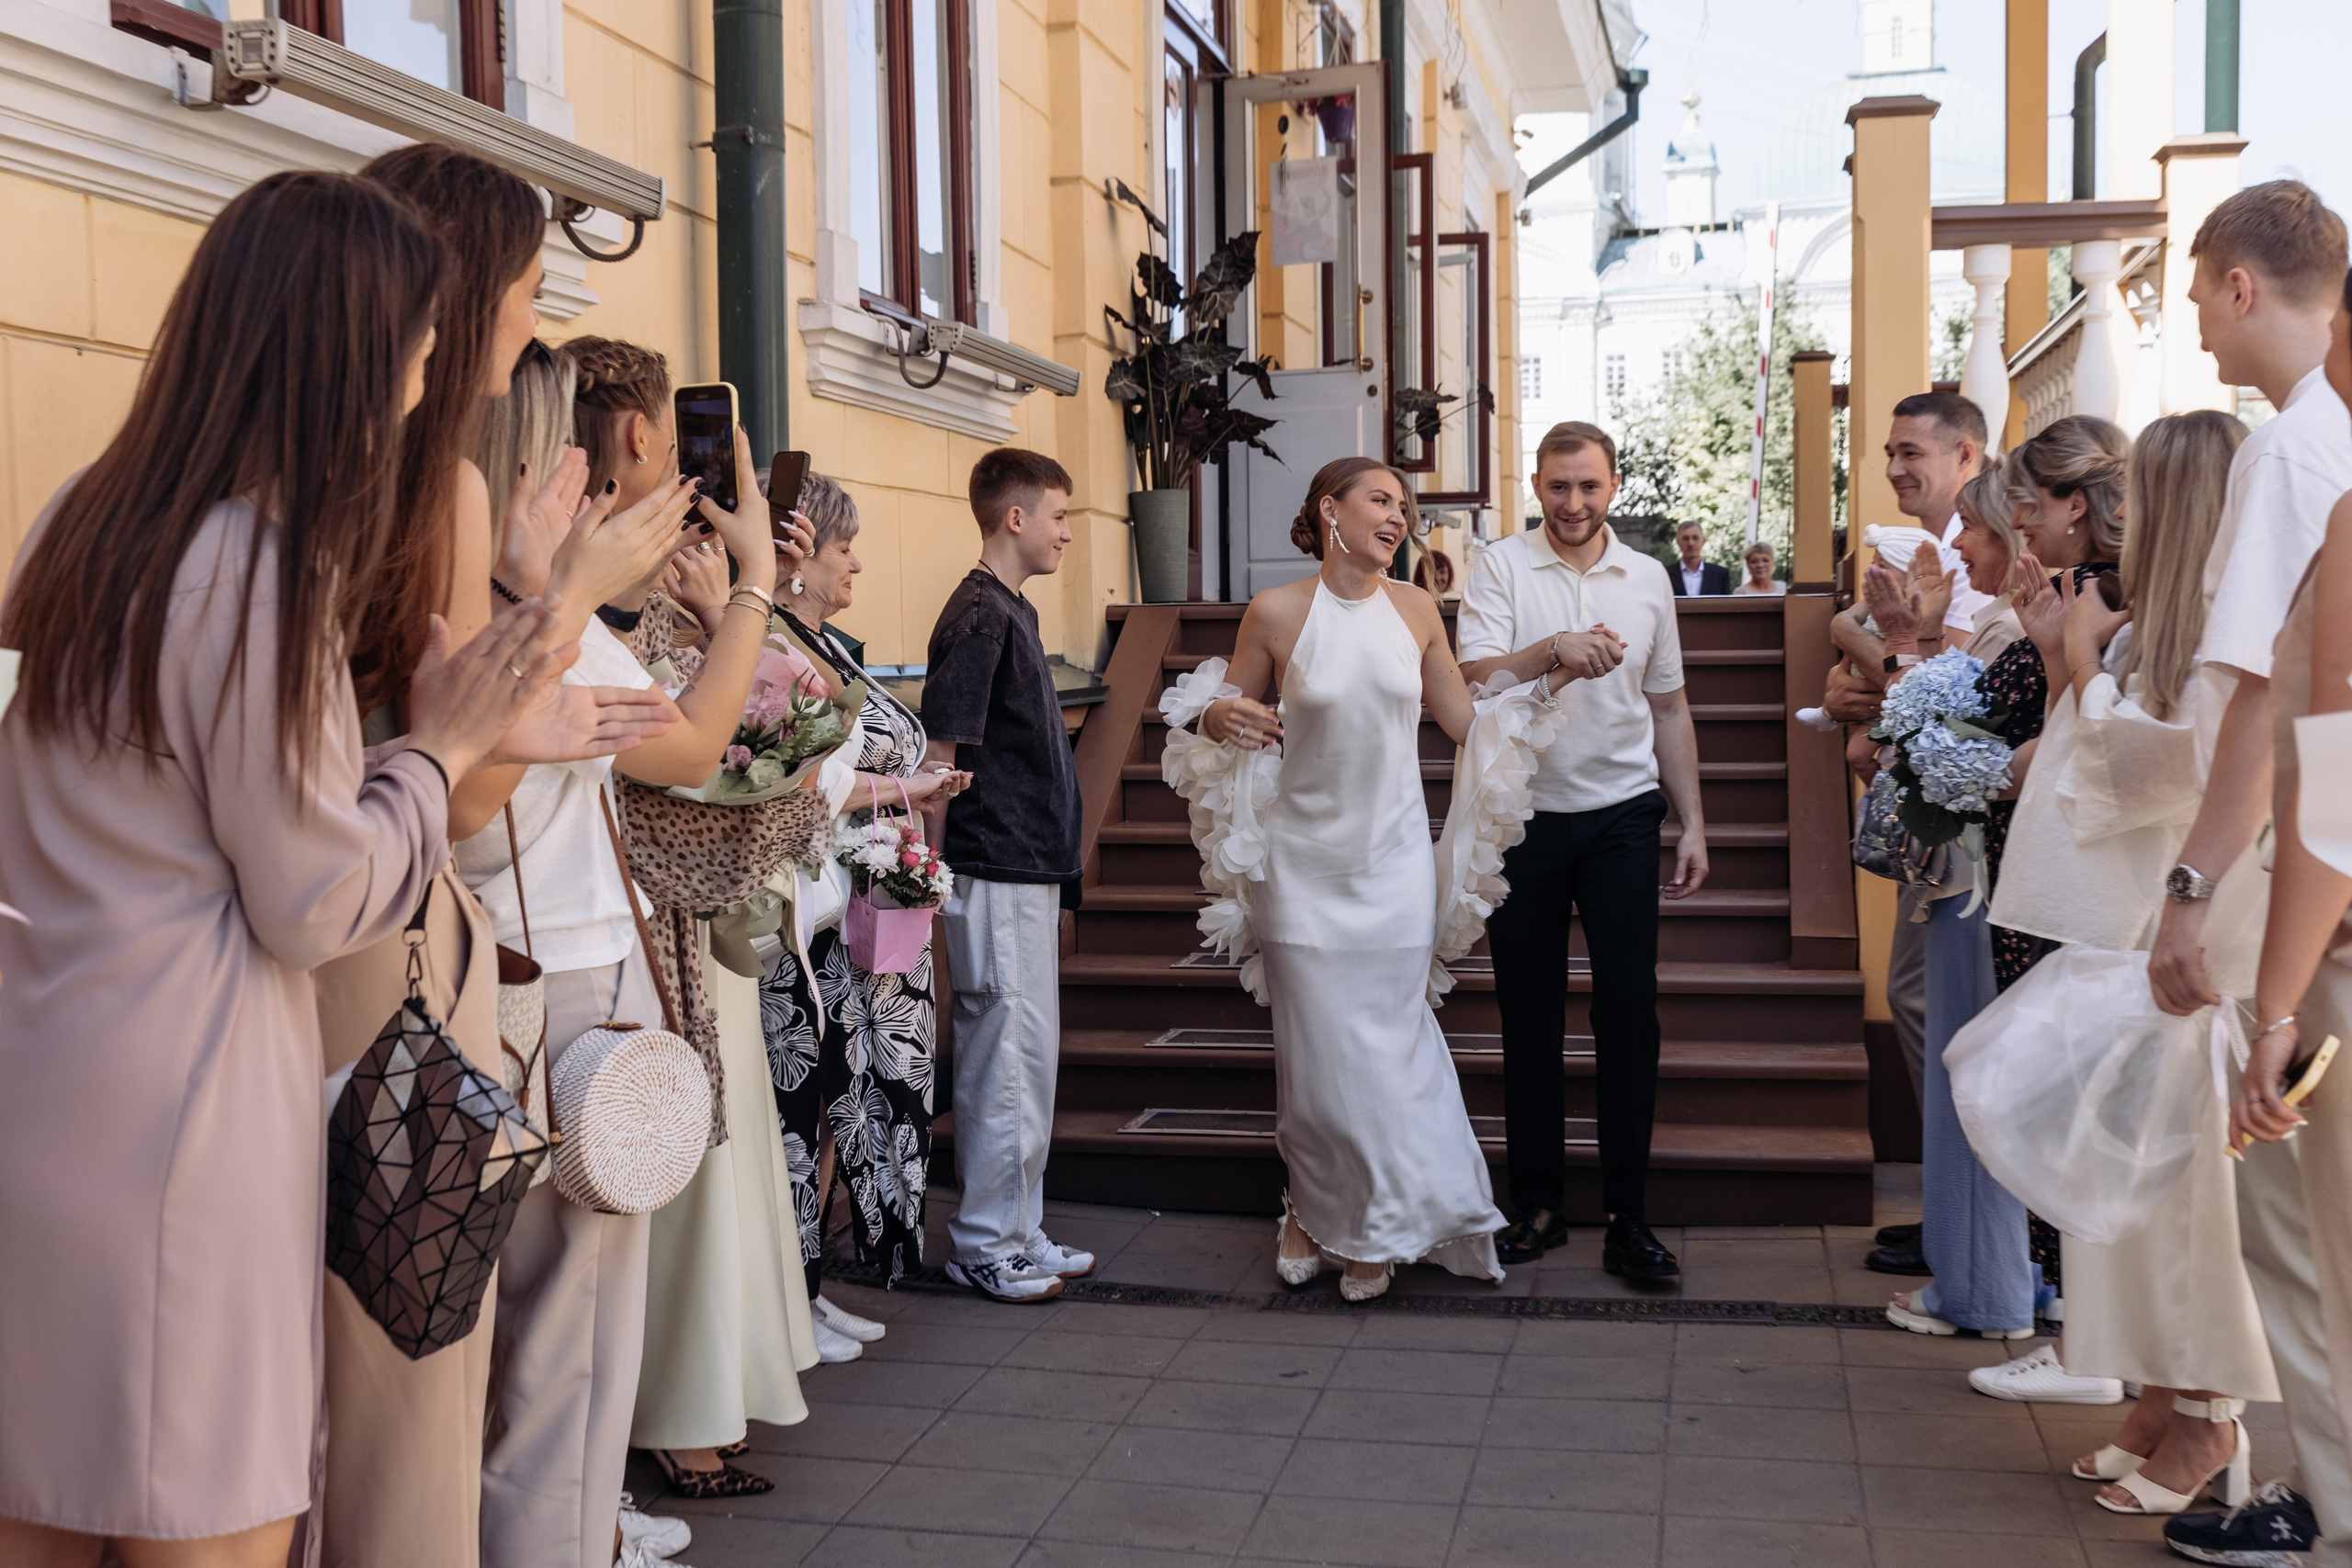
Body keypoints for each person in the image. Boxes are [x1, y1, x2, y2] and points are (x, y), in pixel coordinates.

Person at [0, 170, 624, 1568]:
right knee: (210, 1520)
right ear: (337, 356)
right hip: (187, 1119)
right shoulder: (248, 563)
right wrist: (439, 741)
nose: (417, 393)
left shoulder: (73, 524)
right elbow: (314, 896)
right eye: (408, 360)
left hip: (39, 1088)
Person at [477, 332, 818, 1519]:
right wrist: (756, 581)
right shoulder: (543, 620)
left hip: (490, 973)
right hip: (564, 984)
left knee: (512, 1342)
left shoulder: (473, 601)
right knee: (567, 1351)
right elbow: (693, 739)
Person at [1983, 412, 2281, 1514]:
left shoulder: (2218, 623)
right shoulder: (2144, 615)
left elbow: (2170, 772)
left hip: (2186, 933)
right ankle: (2158, 1396)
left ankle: (2210, 1424)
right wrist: (2081, 660)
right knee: (2131, 1186)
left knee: (2184, 1194)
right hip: (2128, 925)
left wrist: (2077, 667)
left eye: (2140, 497)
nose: (2121, 517)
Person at [1166, 457, 1525, 1300]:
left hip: (1394, 864)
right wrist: (1220, 711)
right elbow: (1212, 712)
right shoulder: (1277, 611)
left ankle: (1377, 1225)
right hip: (1301, 865)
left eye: (1405, 505)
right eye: (1380, 499)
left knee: (1390, 1052)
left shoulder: (1416, 608)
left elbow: (1462, 719)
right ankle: (1308, 1209)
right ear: (1331, 508)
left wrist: (1543, 671)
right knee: (1316, 1060)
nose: (1398, 515)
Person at [2151, 194, 2352, 1564]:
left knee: (2307, 1239)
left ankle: (2337, 1507)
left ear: (2239, 287)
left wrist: (2211, 909)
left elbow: (2285, 718)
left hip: (2319, 896)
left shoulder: (2302, 466)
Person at [1456, 421, 1708, 1282]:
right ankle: (1537, 1202)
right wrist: (1552, 651)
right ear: (1537, 485)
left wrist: (1694, 822)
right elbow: (1476, 681)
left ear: (1615, 485)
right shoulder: (1499, 564)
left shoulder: (1647, 578)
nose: (1574, 503)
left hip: (1624, 817)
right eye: (1559, 487)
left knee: (1627, 1013)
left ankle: (1628, 1216)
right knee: (1528, 1014)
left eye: (1589, 486)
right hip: (1522, 815)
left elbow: (1669, 708)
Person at [757, 473, 968, 1349]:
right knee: (805, 1110)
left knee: (843, 1096)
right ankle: (791, 1296)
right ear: (799, 555)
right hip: (805, 914)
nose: (856, 565)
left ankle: (811, 1286)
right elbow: (811, 775)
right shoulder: (771, 642)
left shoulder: (826, 642)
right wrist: (907, 787)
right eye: (843, 548)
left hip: (857, 902)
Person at [1857, 459, 2037, 1340]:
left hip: (1993, 878)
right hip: (1976, 867)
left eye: (1973, 528)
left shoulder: (2023, 627)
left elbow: (1951, 754)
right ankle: (1977, 1275)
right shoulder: (2009, 621)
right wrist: (1916, 643)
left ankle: (1998, 1284)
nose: (1958, 546)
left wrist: (1904, 648)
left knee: (1979, 1069)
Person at [921, 448, 1090, 1303]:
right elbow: (942, 753)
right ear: (1015, 518)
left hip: (1026, 868)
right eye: (1058, 515)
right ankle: (986, 1242)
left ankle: (1019, 1229)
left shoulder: (1008, 609)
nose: (1067, 531)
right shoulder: (982, 615)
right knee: (1006, 1058)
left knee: (1027, 1058)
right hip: (994, 865)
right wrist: (927, 866)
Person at [1669, 521, 1730, 595]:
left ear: (1703, 541)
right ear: (1678, 542)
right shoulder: (1666, 575)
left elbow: (1725, 605)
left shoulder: (1720, 575)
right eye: (1685, 538)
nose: (1691, 543)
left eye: (1695, 538)